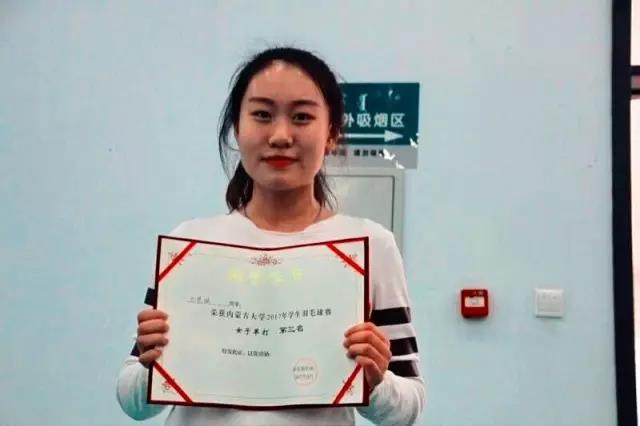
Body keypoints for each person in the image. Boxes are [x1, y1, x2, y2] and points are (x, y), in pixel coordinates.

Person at [116, 46, 425, 426]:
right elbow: (132, 399)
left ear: (331, 133)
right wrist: (151, 366)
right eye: (262, 114)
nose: (280, 135)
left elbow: (409, 406)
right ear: (237, 128)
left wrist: (375, 382)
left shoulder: (371, 245)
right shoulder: (191, 246)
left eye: (302, 117)